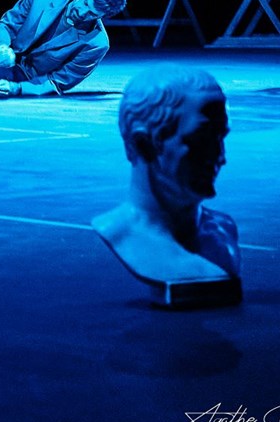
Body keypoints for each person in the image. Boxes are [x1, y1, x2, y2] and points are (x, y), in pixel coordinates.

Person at [91, 63, 242, 304]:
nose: (221, 158)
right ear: (144, 144)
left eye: (221, 137)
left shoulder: (222, 231)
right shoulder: (119, 233)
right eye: (201, 141)